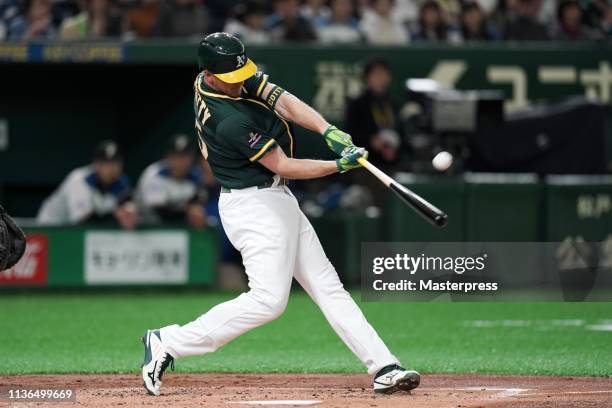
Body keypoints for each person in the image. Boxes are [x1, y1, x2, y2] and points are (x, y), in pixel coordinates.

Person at [141, 32, 420, 397]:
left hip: (275, 198)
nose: (241, 85)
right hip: (252, 206)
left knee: (327, 287)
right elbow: (284, 164)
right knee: (269, 301)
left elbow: (283, 101)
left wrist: (327, 128)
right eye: (232, 81)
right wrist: (338, 165)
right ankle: (169, 341)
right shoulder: (228, 121)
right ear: (209, 77)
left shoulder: (218, 77)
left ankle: (384, 366)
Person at [37, 140, 137, 229]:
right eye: (106, 163)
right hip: (50, 228)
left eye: (116, 163)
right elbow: (83, 220)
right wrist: (116, 216)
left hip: (75, 231)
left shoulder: (122, 183)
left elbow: (128, 212)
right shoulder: (79, 179)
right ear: (96, 165)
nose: (112, 169)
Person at [136, 134, 207, 229]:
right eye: (175, 156)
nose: (179, 162)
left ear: (191, 158)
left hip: (180, 230)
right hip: (147, 228)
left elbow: (201, 202)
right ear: (167, 157)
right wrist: (188, 210)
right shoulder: (154, 175)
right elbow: (161, 213)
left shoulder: (197, 176)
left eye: (184, 156)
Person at [345, 58, 403, 169]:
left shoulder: (393, 104)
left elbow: (401, 132)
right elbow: (349, 134)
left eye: (384, 74)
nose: (380, 78)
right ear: (367, 77)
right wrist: (371, 141)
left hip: (392, 162)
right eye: (376, 74)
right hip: (365, 163)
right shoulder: (357, 104)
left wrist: (394, 146)